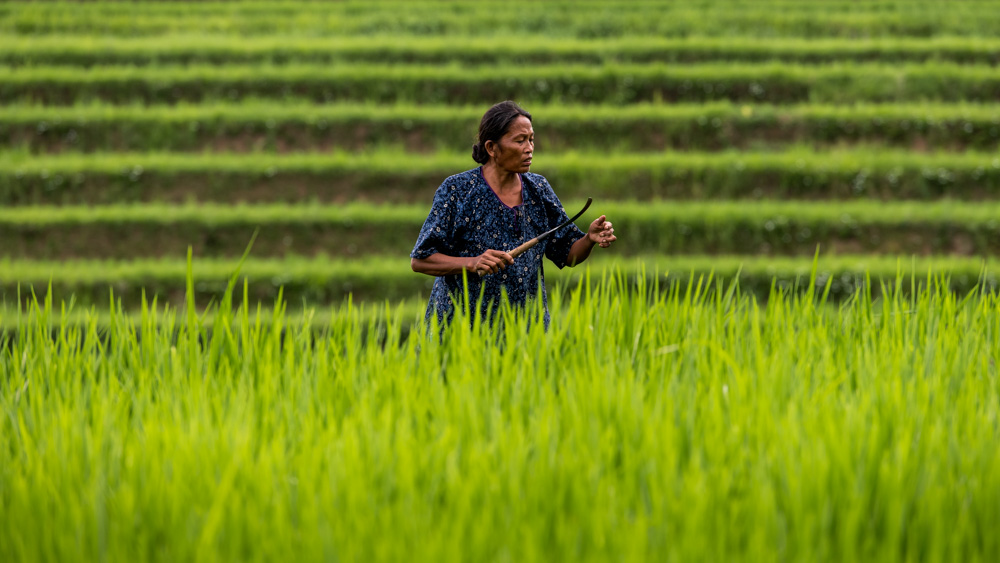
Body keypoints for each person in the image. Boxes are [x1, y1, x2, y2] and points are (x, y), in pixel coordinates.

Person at [410, 100, 617, 327]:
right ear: (491, 148)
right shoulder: (458, 190)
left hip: (525, 331)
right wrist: (472, 263)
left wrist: (589, 239)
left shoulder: (538, 189)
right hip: (461, 330)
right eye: (520, 141)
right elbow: (421, 260)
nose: (529, 148)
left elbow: (568, 254)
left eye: (531, 140)